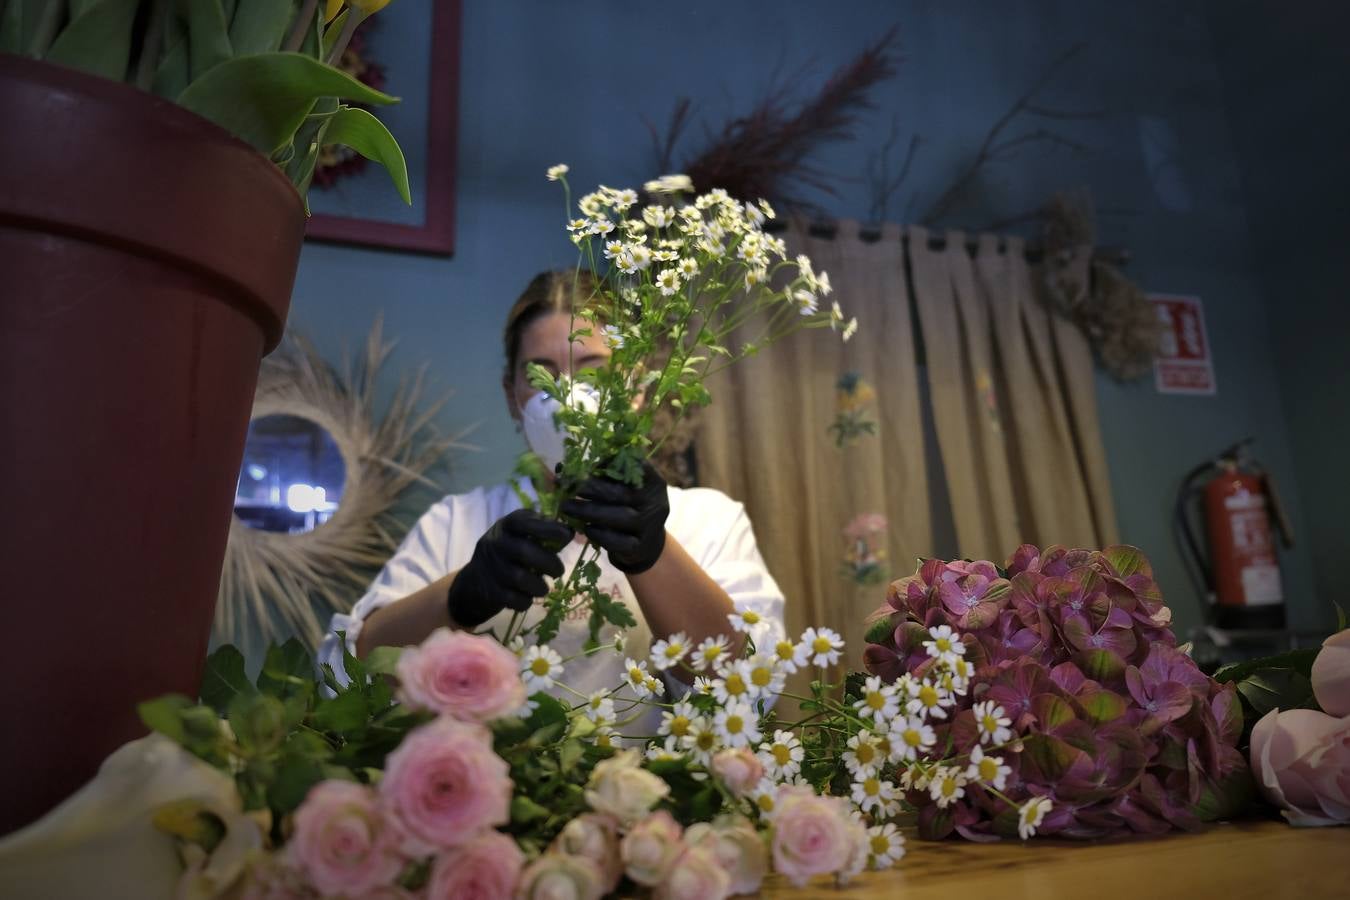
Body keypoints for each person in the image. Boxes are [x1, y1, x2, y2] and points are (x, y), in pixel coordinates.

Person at [319, 270, 785, 731]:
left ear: (637, 390)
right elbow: (346, 680)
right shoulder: (456, 523)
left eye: (595, 372)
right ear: (512, 396)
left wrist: (653, 552)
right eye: (542, 375)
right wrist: (455, 600)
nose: (567, 397)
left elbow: (749, 692)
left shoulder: (708, 520)